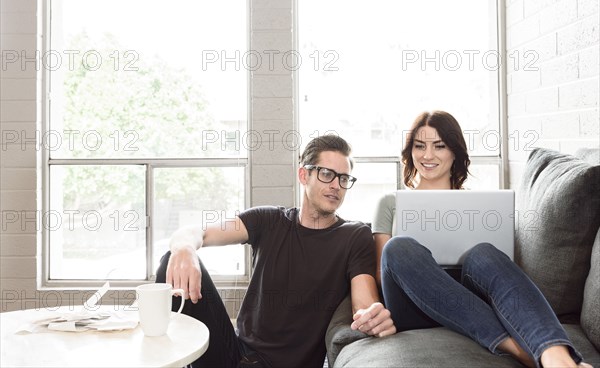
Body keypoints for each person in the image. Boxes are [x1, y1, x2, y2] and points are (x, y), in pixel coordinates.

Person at [156, 134, 396, 368]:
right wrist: (185, 247)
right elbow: (199, 233)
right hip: (234, 354)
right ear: (304, 175)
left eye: (344, 178)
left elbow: (364, 304)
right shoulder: (268, 219)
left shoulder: (355, 235)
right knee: (171, 258)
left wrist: (374, 317)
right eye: (326, 174)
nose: (336, 185)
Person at [373, 111, 590, 368]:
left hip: (469, 296)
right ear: (410, 151)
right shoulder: (389, 202)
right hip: (413, 303)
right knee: (399, 248)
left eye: (439, 146)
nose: (427, 155)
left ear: (455, 152)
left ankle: (556, 357)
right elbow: (381, 271)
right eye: (419, 146)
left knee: (484, 253)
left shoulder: (480, 206)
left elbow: (496, 271)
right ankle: (519, 350)